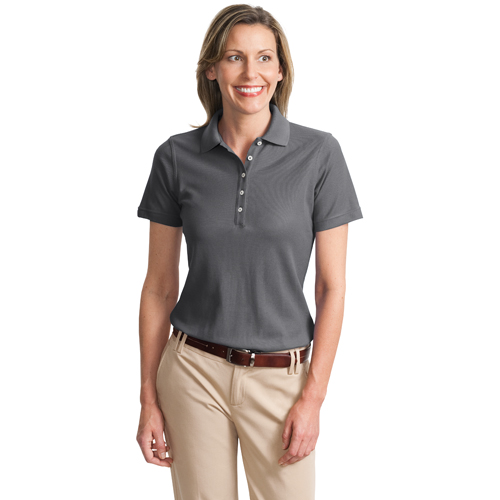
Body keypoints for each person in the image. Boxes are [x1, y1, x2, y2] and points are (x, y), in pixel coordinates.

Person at [136, 4, 363, 499]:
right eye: (234, 57)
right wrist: (148, 397)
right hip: (193, 371)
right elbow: (159, 287)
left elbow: (332, 288)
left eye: (264, 58)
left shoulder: (319, 155)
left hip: (283, 378)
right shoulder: (175, 157)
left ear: (280, 71)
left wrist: (313, 397)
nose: (250, 73)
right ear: (212, 69)